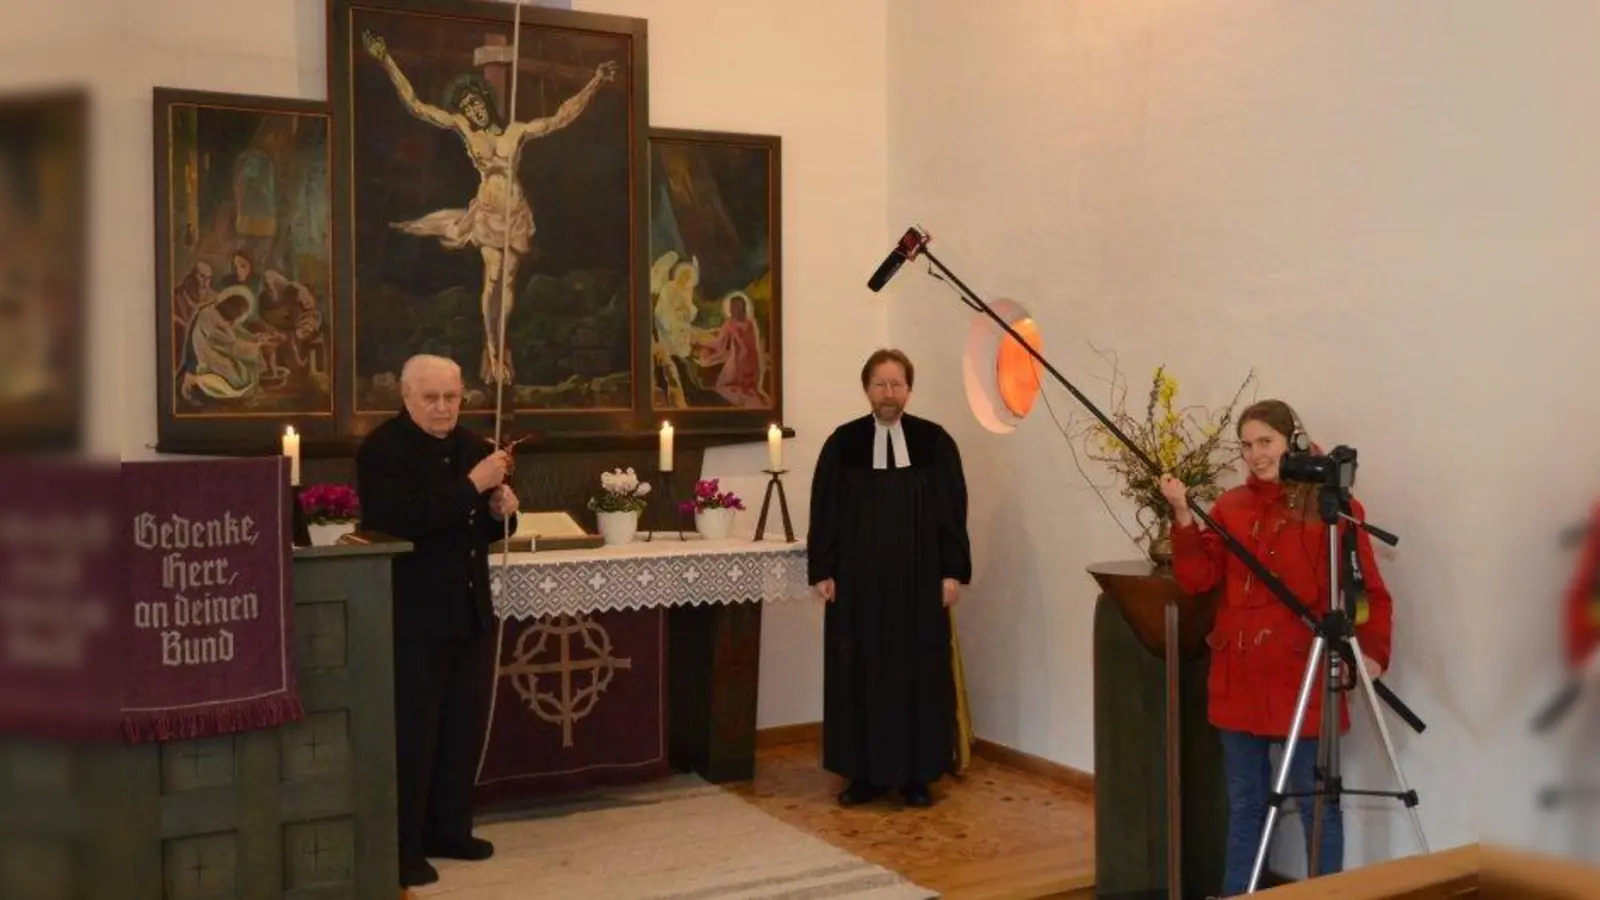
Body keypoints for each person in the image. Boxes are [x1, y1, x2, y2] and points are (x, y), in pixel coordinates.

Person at [1158, 399, 1394, 896]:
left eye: (1266, 441)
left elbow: (1365, 591)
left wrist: (1370, 653)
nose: (1255, 454)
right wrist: (1182, 515)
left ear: (1294, 440)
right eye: (1246, 445)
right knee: (1244, 803)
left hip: (1301, 677)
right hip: (1238, 678)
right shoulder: (1230, 506)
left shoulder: (1332, 507)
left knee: (1315, 804)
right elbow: (1197, 578)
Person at [354, 353, 520, 888]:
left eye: (452, 397)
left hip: (468, 608)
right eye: (432, 398)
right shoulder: (382, 450)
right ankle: (403, 846)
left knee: (459, 730)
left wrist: (501, 512)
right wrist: (475, 487)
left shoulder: (473, 446)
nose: (445, 407)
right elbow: (407, 519)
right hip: (413, 615)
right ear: (405, 396)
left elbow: (483, 528)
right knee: (414, 734)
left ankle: (450, 829)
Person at [807, 348, 971, 807]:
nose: (889, 392)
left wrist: (951, 571)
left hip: (917, 586)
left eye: (897, 383)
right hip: (857, 588)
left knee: (917, 675)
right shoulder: (843, 444)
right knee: (858, 675)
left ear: (909, 389)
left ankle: (917, 775)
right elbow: (825, 510)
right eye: (880, 384)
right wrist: (823, 569)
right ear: (866, 389)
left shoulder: (934, 443)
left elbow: (951, 512)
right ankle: (864, 776)